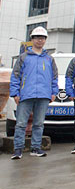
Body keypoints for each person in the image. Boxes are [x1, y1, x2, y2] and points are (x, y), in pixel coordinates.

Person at [9, 26, 58, 159]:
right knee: (21, 123)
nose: (39, 40)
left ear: (45, 40)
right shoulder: (24, 57)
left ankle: (36, 148)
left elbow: (54, 77)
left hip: (43, 95)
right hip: (26, 94)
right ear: (32, 39)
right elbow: (15, 76)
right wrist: (15, 93)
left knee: (39, 123)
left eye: (42, 38)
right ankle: (18, 149)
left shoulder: (49, 59)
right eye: (37, 38)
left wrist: (54, 92)